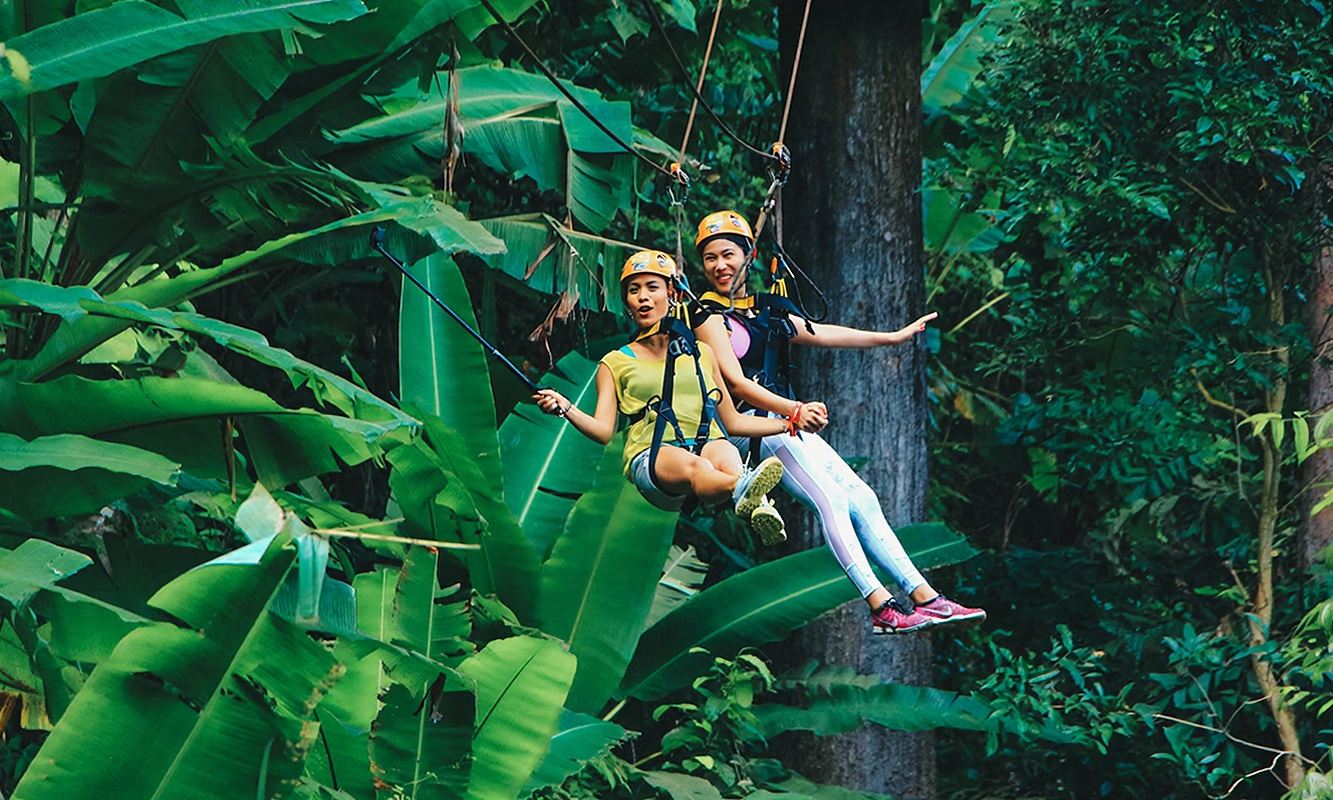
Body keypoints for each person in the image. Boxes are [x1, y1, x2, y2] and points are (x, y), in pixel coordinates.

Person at [688, 210, 987, 635]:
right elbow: (736, 383)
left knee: (862, 497)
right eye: (711, 258)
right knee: (832, 499)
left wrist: (891, 337)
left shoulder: (766, 312)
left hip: (783, 422)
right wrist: (793, 411)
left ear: (747, 256)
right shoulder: (707, 317)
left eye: (728, 255)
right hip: (752, 429)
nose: (720, 266)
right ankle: (881, 605)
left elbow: (826, 332)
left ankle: (926, 597)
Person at [532, 249, 822, 541]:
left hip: (703, 445)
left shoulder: (702, 354)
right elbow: (603, 431)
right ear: (628, 303)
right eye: (634, 290)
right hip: (653, 457)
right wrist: (565, 407)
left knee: (725, 451)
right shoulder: (614, 362)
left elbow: (732, 422)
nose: (643, 297)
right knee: (698, 466)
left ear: (673, 294)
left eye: (652, 287)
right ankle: (746, 491)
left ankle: (747, 494)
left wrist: (791, 423)